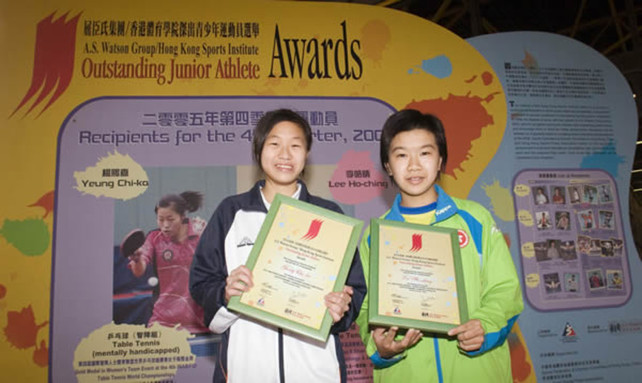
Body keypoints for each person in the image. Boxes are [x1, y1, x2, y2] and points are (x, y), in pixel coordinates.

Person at [189, 109, 366, 382]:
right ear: (259, 150)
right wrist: (225, 294)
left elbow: (355, 288)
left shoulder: (329, 214)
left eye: (295, 145)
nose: (285, 154)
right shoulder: (232, 212)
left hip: (316, 371)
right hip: (246, 369)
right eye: (274, 144)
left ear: (306, 154)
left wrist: (341, 309)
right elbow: (201, 282)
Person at [355, 110, 523, 382]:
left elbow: (505, 289)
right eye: (401, 155)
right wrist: (380, 347)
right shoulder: (376, 236)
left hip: (477, 372)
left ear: (441, 158)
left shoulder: (474, 219)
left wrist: (484, 326)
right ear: (387, 165)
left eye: (425, 153)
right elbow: (364, 311)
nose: (413, 166)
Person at [128, 191, 209, 333]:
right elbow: (138, 270)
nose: (165, 225)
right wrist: (137, 259)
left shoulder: (200, 233)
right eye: (160, 219)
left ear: (182, 217)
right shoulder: (154, 238)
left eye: (170, 219)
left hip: (199, 321)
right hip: (163, 321)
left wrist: (208, 236)